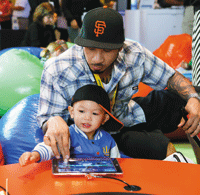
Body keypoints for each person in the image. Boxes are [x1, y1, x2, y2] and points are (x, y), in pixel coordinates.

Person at [37, 7, 200, 164]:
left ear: (120, 47)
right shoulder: (58, 69)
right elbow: (47, 118)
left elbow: (171, 77)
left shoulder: (134, 54)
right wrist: (52, 120)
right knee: (158, 146)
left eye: (107, 50)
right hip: (91, 131)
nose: (97, 59)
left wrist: (192, 99)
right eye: (91, 49)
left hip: (125, 116)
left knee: (193, 98)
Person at [19, 84, 123, 166]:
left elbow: (117, 163)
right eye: (81, 111)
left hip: (101, 181)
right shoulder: (68, 134)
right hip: (73, 181)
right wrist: (35, 155)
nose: (87, 118)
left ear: (104, 118)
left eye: (95, 113)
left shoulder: (108, 140)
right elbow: (49, 148)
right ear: (72, 112)